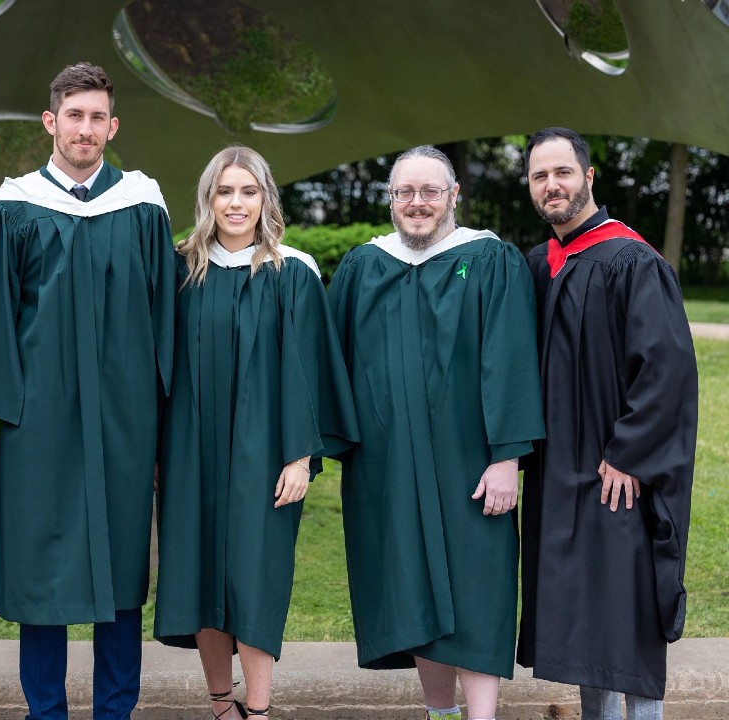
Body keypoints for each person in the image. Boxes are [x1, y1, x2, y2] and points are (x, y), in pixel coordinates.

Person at [0, 61, 174, 720]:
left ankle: (116, 709)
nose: (85, 129)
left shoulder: (141, 206)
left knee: (122, 566)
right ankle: (43, 710)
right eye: (72, 116)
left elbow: (164, 315)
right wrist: (10, 413)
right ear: (51, 121)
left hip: (125, 417)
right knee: (39, 565)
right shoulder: (15, 207)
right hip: (38, 419)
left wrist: (159, 413)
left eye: (96, 117)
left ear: (113, 124)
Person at [328, 146, 544, 720]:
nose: (417, 203)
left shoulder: (491, 260)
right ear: (392, 200)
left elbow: (512, 358)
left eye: (430, 191)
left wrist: (507, 459)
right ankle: (438, 713)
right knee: (411, 585)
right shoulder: (363, 267)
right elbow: (331, 362)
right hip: (387, 463)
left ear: (453, 196)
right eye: (405, 193)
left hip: (469, 459)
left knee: (478, 585)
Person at [154, 146, 359, 720]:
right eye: (224, 191)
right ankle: (222, 709)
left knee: (255, 579)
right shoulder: (181, 270)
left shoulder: (292, 273)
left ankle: (260, 710)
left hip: (265, 456)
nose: (236, 203)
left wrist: (300, 456)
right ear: (207, 199)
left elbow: (309, 370)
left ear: (266, 197)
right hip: (190, 452)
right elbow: (158, 369)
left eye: (248, 191)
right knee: (200, 579)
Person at [517, 127, 698, 720]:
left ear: (589, 177)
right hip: (559, 474)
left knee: (627, 610)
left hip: (614, 470)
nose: (552, 185)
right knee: (580, 618)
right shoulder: (539, 266)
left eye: (563, 172)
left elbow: (665, 369)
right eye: (540, 176)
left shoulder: (632, 261)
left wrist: (629, 453)